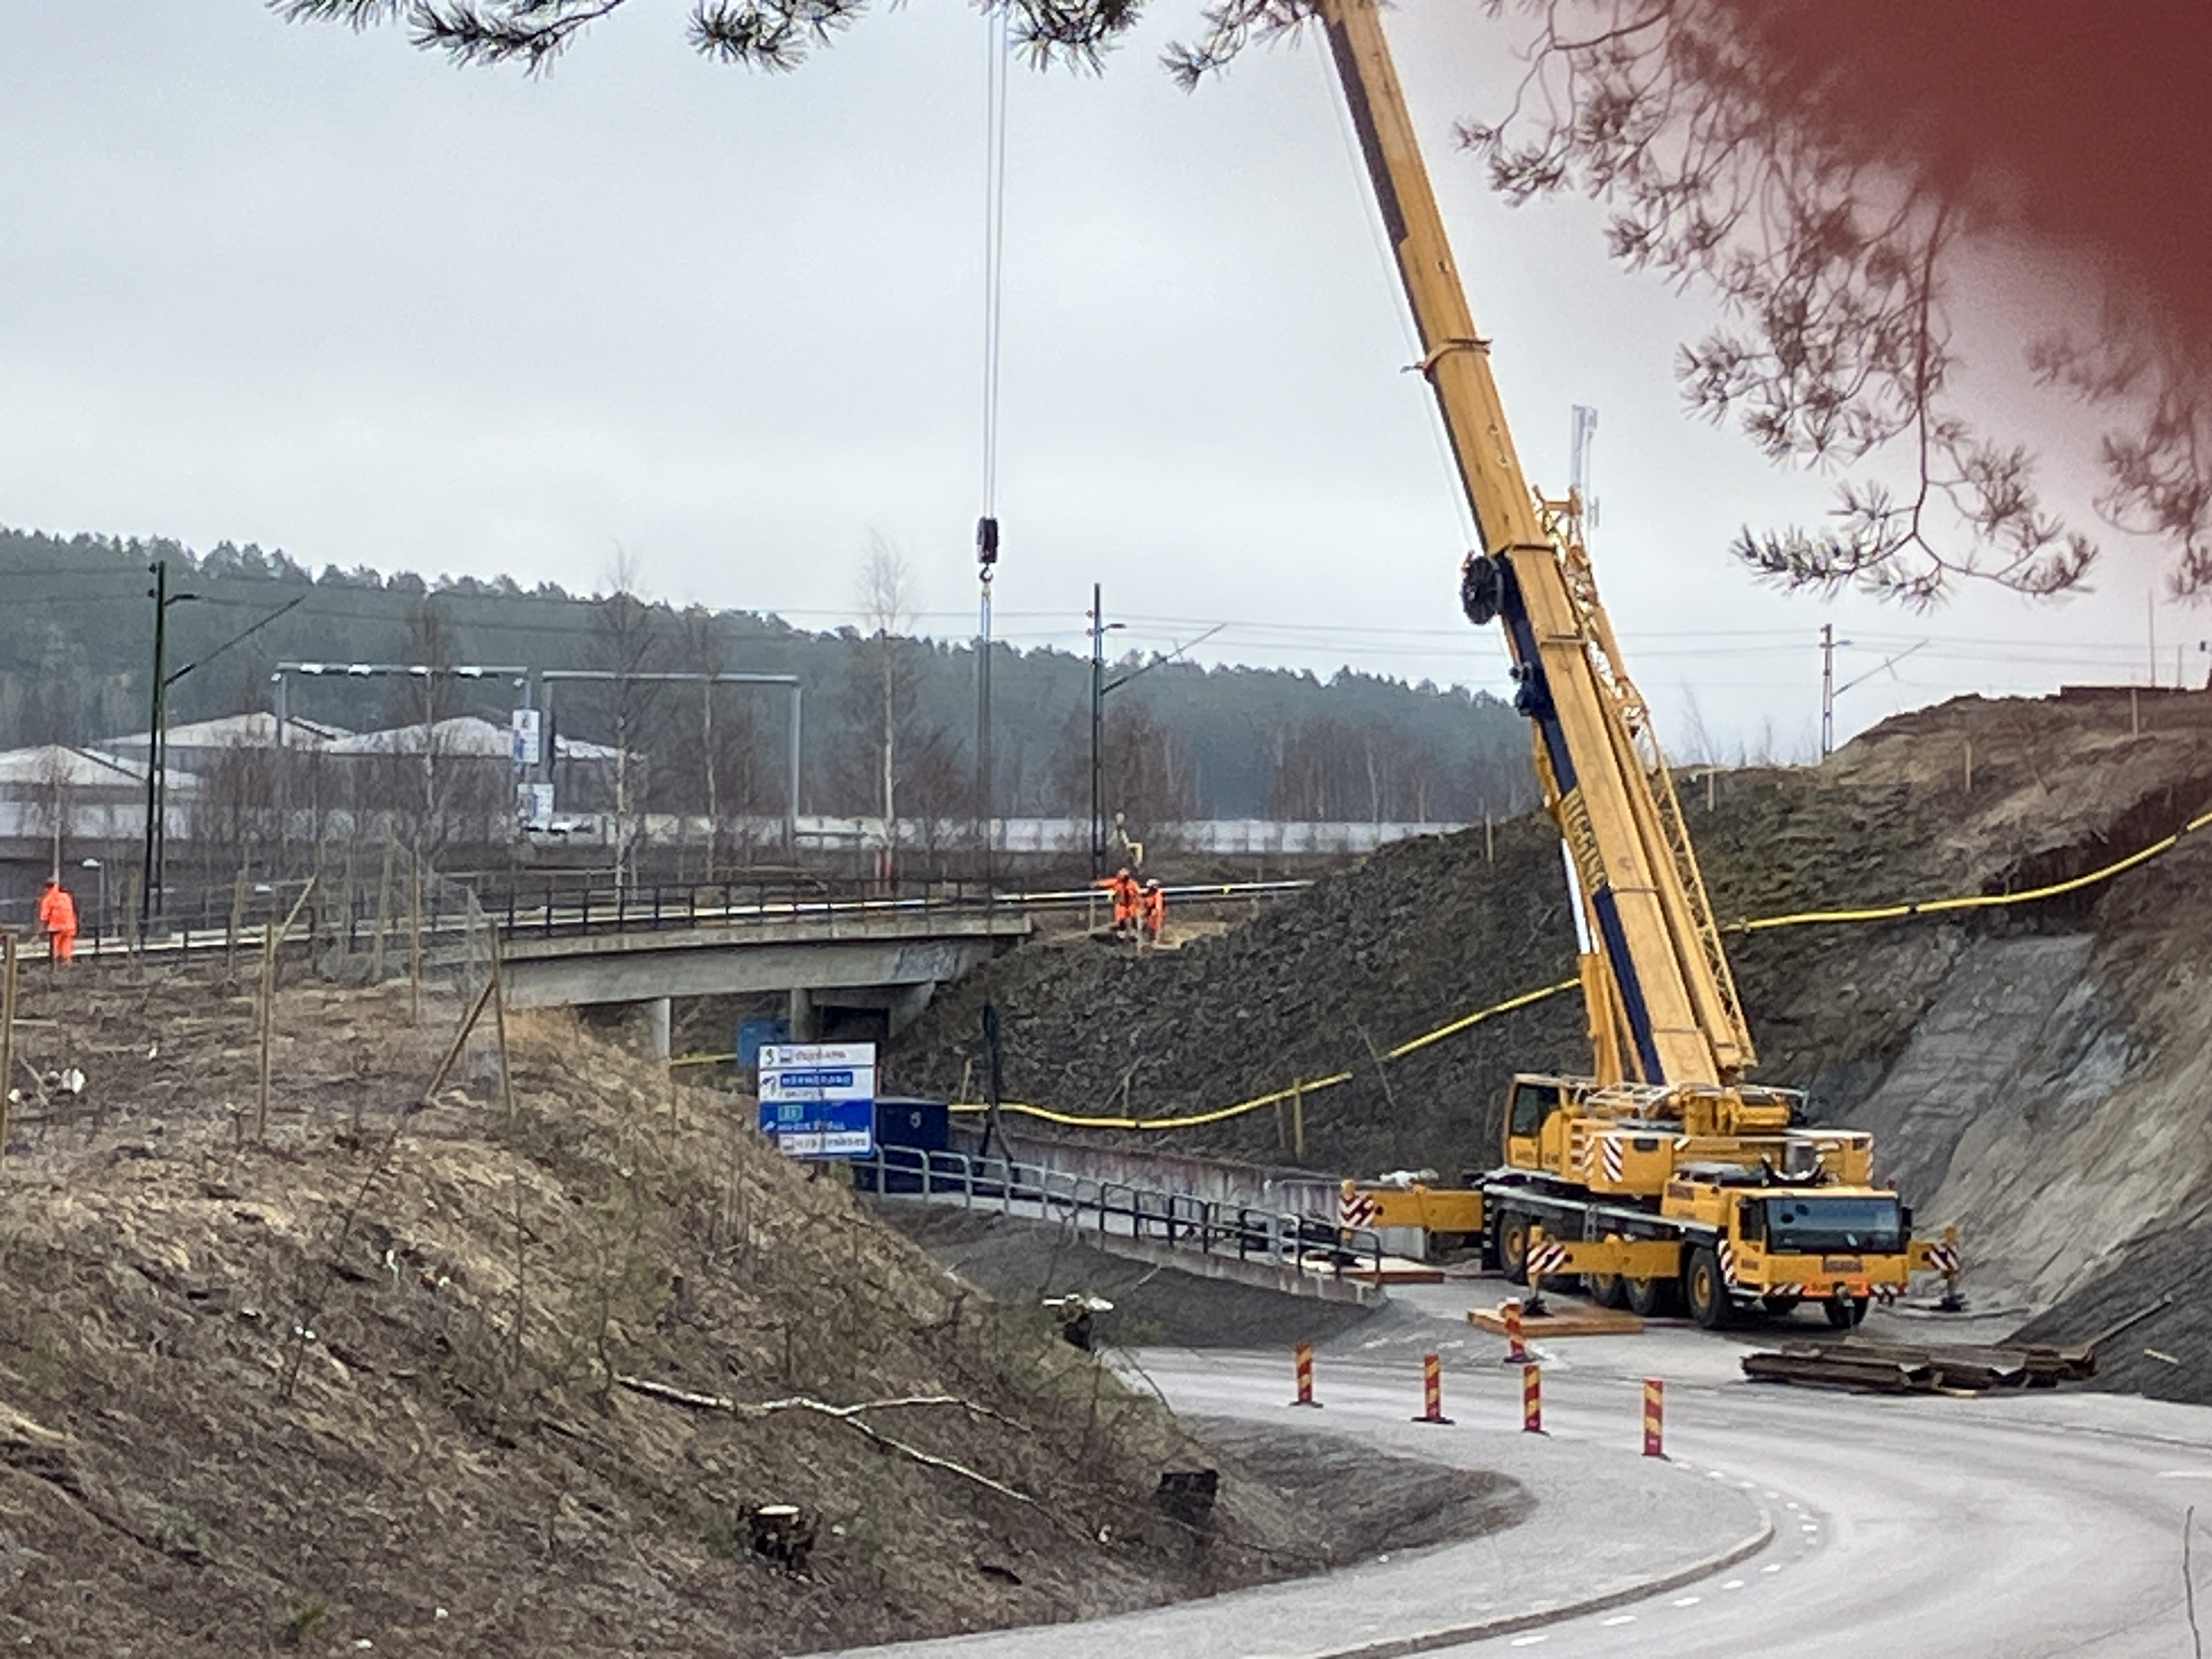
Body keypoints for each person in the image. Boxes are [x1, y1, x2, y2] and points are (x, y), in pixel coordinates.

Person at [37, 878, 76, 964]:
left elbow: (44, 916)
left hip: (56, 928)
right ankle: (67, 969)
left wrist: (41, 930)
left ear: (46, 887)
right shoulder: (66, 896)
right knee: (66, 950)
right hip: (69, 927)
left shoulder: (48, 899)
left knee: (55, 950)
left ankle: (54, 970)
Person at [1096, 867, 1140, 940]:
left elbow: (1138, 891)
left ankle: (1133, 932)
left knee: (1132, 918)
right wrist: (1098, 884)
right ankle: (1122, 932)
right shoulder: (1116, 882)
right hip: (1121, 905)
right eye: (1120, 876)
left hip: (1131, 904)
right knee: (1121, 919)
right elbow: (1106, 883)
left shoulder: (1132, 883)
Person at [1139, 879, 1166, 949]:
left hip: (1155, 917)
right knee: (1145, 930)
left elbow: (1158, 908)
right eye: (1154, 886)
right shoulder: (1146, 895)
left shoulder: (1158, 895)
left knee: (1154, 932)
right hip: (1149, 917)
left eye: (1156, 886)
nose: (1156, 887)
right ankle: (1147, 944)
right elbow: (1144, 905)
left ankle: (1153, 945)